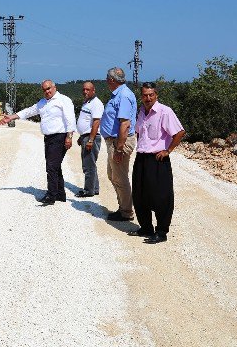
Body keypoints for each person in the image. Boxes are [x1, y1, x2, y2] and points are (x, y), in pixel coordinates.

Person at [0, 80, 77, 205]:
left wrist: (69, 136)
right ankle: (60, 194)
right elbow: (29, 111)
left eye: (49, 88)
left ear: (54, 87)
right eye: (44, 90)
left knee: (51, 167)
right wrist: (11, 117)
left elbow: (70, 119)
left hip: (60, 137)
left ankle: (51, 196)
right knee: (55, 167)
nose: (47, 91)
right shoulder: (42, 103)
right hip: (49, 138)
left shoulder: (63, 100)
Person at [128, 82, 186, 244]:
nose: (148, 98)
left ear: (156, 95)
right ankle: (146, 228)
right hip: (141, 157)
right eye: (145, 95)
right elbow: (139, 132)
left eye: (151, 95)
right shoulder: (141, 112)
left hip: (158, 159)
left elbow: (179, 132)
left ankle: (161, 232)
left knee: (161, 197)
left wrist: (167, 150)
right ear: (141, 96)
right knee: (140, 195)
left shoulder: (164, 111)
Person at [100, 67, 137, 221]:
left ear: (112, 80)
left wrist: (119, 148)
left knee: (120, 177)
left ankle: (126, 212)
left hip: (119, 143)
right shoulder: (119, 94)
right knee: (113, 176)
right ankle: (123, 207)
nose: (107, 81)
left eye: (107, 79)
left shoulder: (123, 95)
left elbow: (125, 124)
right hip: (114, 142)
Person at [75, 81, 104, 198]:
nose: (85, 92)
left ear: (93, 90)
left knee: (88, 165)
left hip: (91, 137)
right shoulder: (87, 102)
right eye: (84, 89)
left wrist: (90, 140)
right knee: (91, 164)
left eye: (88, 90)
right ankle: (94, 188)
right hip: (85, 136)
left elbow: (96, 122)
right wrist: (81, 137)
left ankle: (88, 190)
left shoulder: (96, 103)